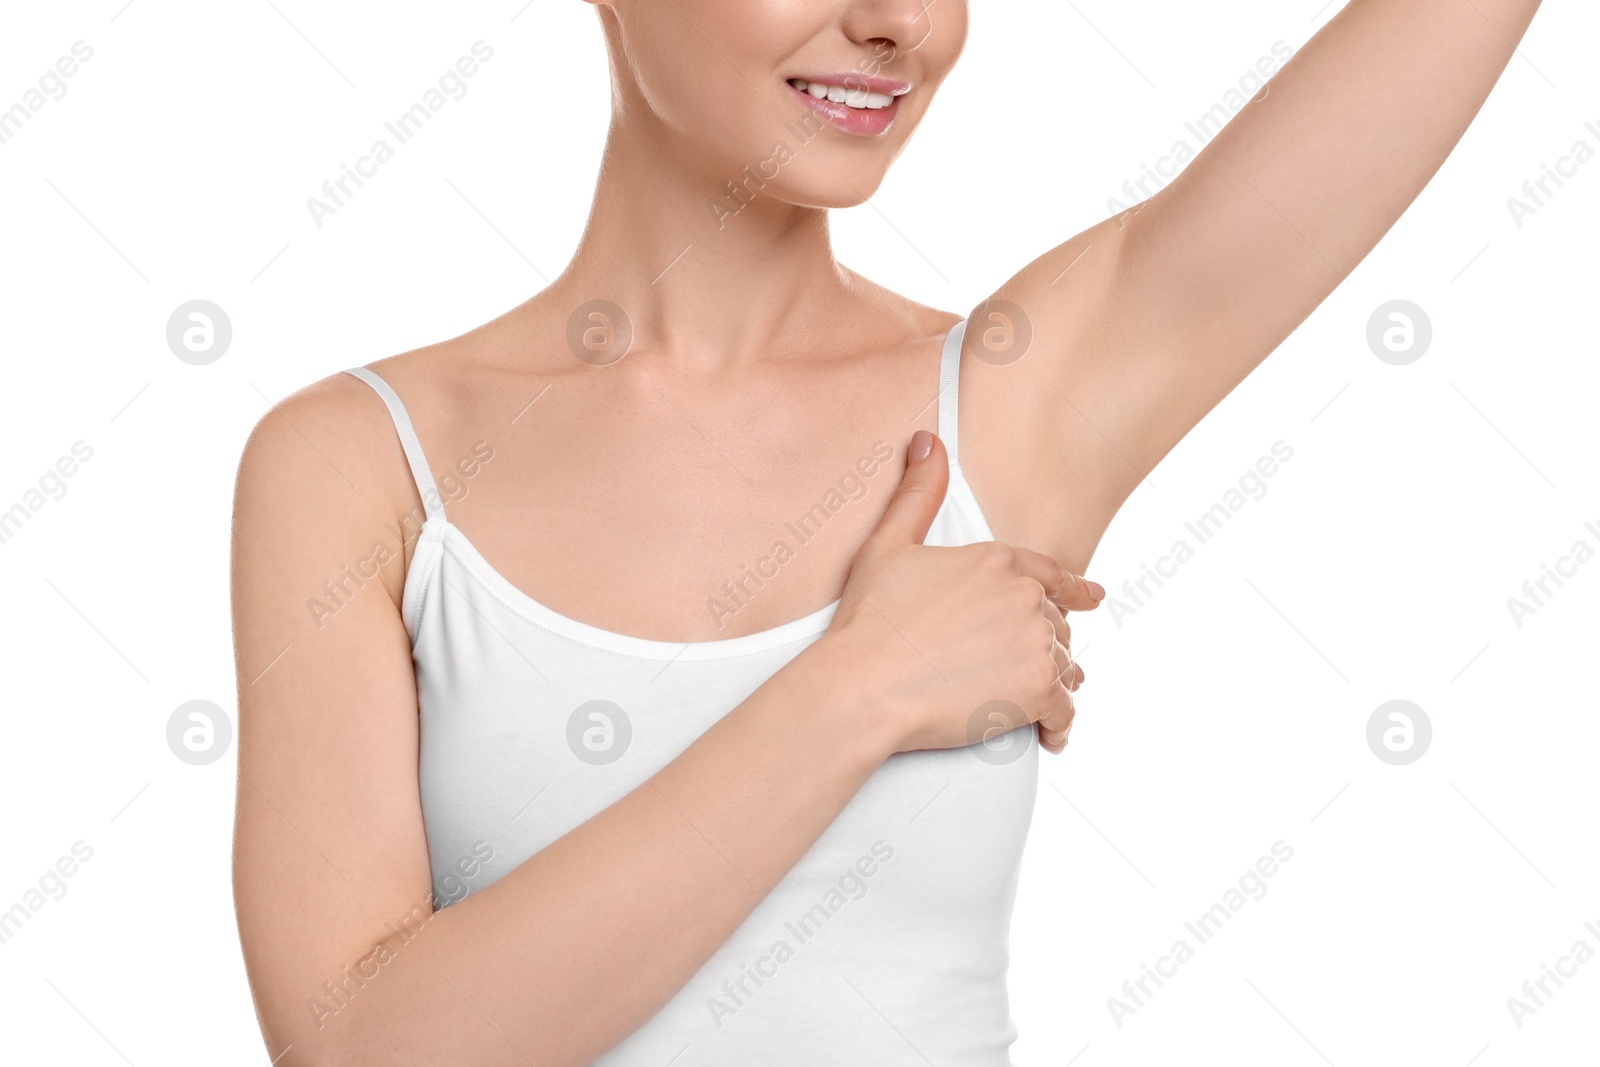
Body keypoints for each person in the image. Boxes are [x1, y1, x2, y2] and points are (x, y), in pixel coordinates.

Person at [230, 1, 1544, 1063]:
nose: (899, 22)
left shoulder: (1013, 402)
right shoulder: (360, 462)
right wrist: (857, 692)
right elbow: (362, 1050)